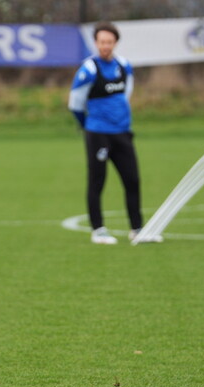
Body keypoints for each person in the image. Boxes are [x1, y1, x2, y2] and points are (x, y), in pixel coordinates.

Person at [68, 21, 161, 244]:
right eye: (102, 42)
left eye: (109, 42)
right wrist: (89, 125)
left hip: (122, 132)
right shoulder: (89, 70)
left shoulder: (124, 66)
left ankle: (137, 229)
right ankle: (98, 230)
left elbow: (125, 96)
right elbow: (75, 104)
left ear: (115, 42)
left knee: (132, 180)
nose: (105, 46)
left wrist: (119, 119)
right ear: (96, 43)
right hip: (98, 133)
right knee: (97, 181)